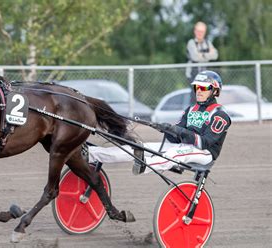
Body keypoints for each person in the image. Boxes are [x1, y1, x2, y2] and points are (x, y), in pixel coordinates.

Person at [88, 70, 231, 175]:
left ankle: (145, 165)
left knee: (174, 153)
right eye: (196, 87)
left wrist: (178, 131)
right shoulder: (191, 109)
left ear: (215, 91)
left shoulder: (220, 115)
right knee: (138, 148)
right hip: (183, 147)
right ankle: (92, 154)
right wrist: (167, 129)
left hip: (204, 154)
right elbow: (175, 137)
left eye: (204, 88)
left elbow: (204, 143)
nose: (198, 91)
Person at [186, 22, 218, 103]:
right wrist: (208, 55)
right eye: (198, 31)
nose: (200, 33)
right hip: (193, 74)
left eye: (202, 31)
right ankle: (193, 113)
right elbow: (195, 57)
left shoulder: (207, 42)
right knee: (195, 95)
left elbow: (215, 55)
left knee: (207, 96)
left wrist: (201, 55)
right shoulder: (191, 42)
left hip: (205, 74)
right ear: (195, 31)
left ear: (205, 32)